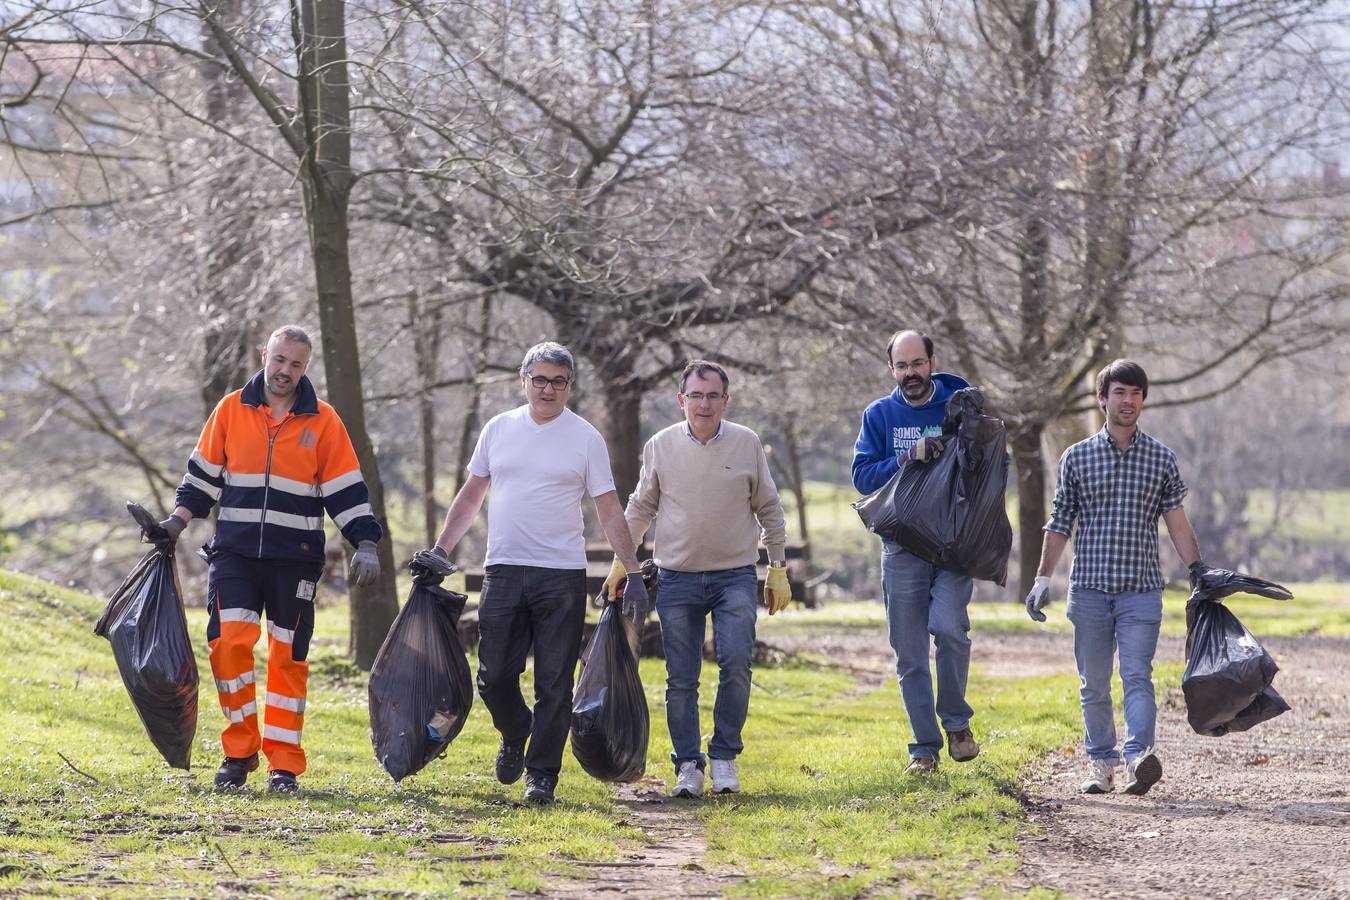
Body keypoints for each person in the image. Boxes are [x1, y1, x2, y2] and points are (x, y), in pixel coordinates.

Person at [156, 325, 383, 792]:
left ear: (306, 367)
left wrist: (366, 542)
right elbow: (202, 478)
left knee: (288, 656)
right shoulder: (231, 409)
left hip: (295, 559)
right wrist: (175, 523)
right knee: (229, 642)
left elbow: (346, 490)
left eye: (295, 364)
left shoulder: (323, 420)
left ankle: (284, 763)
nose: (285, 371)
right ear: (265, 355)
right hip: (234, 553)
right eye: (279, 360)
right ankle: (238, 753)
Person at [422, 342, 648, 805]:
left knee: (554, 683)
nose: (548, 389)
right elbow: (471, 495)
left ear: (570, 386)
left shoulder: (585, 437)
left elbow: (607, 507)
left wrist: (633, 570)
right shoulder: (499, 428)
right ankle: (515, 728)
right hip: (503, 569)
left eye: (558, 381)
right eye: (540, 379)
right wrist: (441, 550)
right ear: (523, 381)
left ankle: (542, 775)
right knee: (493, 677)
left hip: (561, 574)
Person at [603, 360, 790, 798]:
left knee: (737, 662)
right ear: (681, 399)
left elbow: (769, 508)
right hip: (677, 579)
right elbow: (640, 508)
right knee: (681, 677)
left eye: (713, 396)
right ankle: (688, 764)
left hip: (735, 578)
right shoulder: (660, 446)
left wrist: (777, 567)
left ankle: (724, 757)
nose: (704, 404)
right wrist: (621, 562)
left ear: (726, 400)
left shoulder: (747, 444)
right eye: (696, 395)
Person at [1026, 359, 1205, 797]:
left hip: (1141, 590)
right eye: (1120, 393)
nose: (1129, 401)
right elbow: (1060, 520)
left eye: (1136, 394)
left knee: (1137, 675)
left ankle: (1138, 757)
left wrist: (1198, 571)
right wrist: (1042, 578)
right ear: (1102, 399)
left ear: (1143, 399)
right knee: (1093, 683)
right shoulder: (1076, 458)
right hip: (1088, 590)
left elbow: (1177, 523)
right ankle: (1100, 763)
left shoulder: (1160, 458)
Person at [851, 329, 979, 774]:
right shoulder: (880, 415)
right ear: (892, 370)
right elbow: (863, 477)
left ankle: (957, 723)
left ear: (932, 362)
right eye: (901, 366)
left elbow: (987, 459)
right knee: (908, 652)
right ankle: (924, 749)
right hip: (902, 545)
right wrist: (908, 456)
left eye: (917, 364)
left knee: (948, 627)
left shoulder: (959, 401)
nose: (911, 374)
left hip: (954, 544)